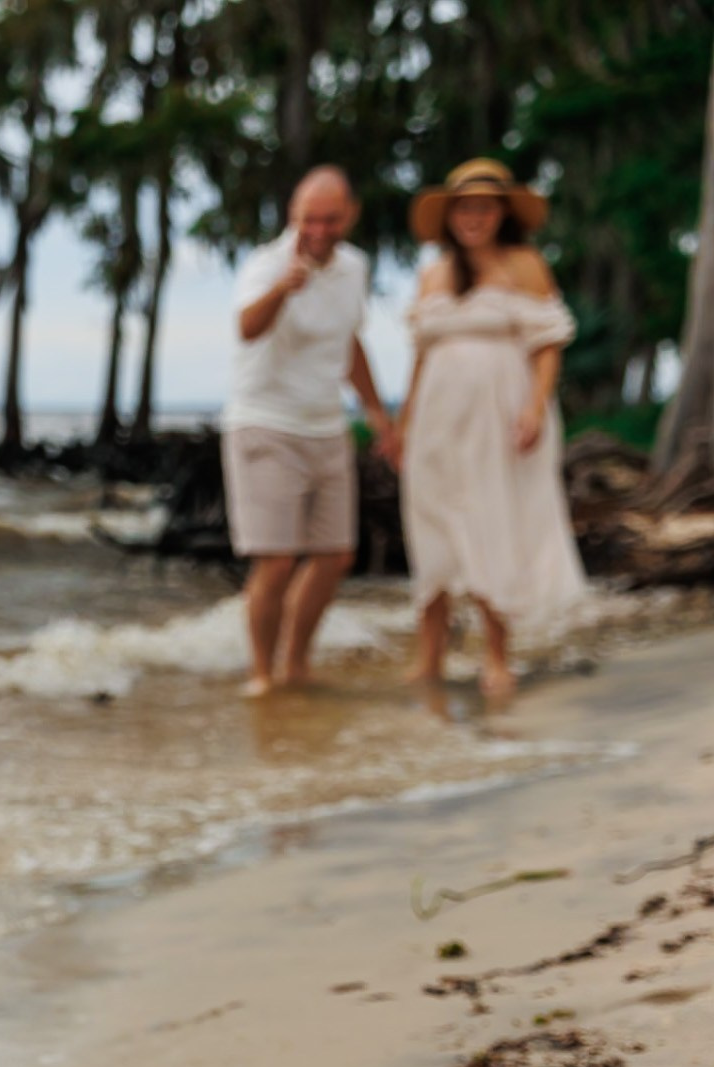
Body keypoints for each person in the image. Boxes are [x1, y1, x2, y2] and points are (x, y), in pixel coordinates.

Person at [391, 159, 587, 703]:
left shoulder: (524, 265)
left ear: (502, 213)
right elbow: (421, 356)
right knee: (431, 526)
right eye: (463, 208)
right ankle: (428, 656)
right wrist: (404, 422)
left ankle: (496, 654)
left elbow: (548, 345)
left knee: (492, 521)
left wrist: (534, 408)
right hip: (437, 420)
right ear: (449, 216)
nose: (473, 217)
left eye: (483, 207)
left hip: (499, 417)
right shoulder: (433, 274)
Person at [221, 166, 396, 696]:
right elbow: (247, 328)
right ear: (292, 216)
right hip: (265, 424)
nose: (318, 230)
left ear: (351, 216)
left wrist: (376, 412)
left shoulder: (354, 268)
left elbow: (350, 343)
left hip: (327, 427)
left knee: (336, 556)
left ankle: (295, 665)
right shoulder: (266, 264)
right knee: (276, 561)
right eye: (308, 219)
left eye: (330, 220)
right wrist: (284, 287)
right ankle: (261, 675)